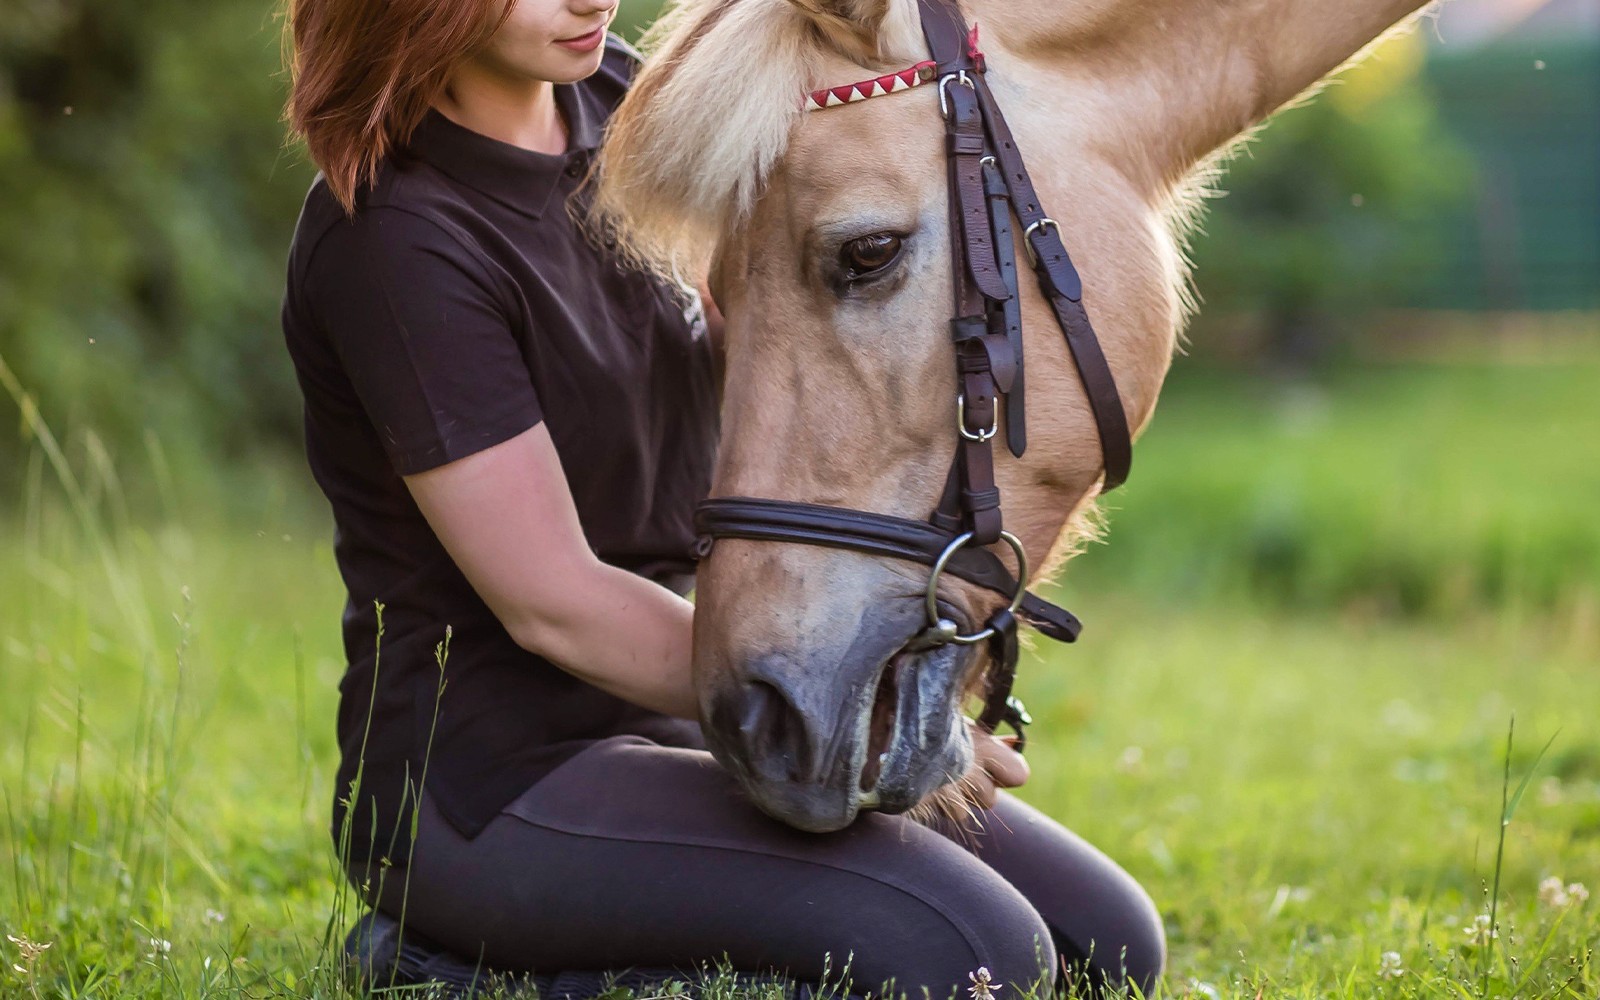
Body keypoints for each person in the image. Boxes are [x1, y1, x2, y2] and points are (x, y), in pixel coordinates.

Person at [279, 0, 1165, 996]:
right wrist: (867, 718)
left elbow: (775, 336)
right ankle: (445, 969)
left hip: (697, 715)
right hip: (491, 783)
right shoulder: (396, 241)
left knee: (1107, 947)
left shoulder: (621, 104)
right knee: (974, 960)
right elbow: (553, 603)